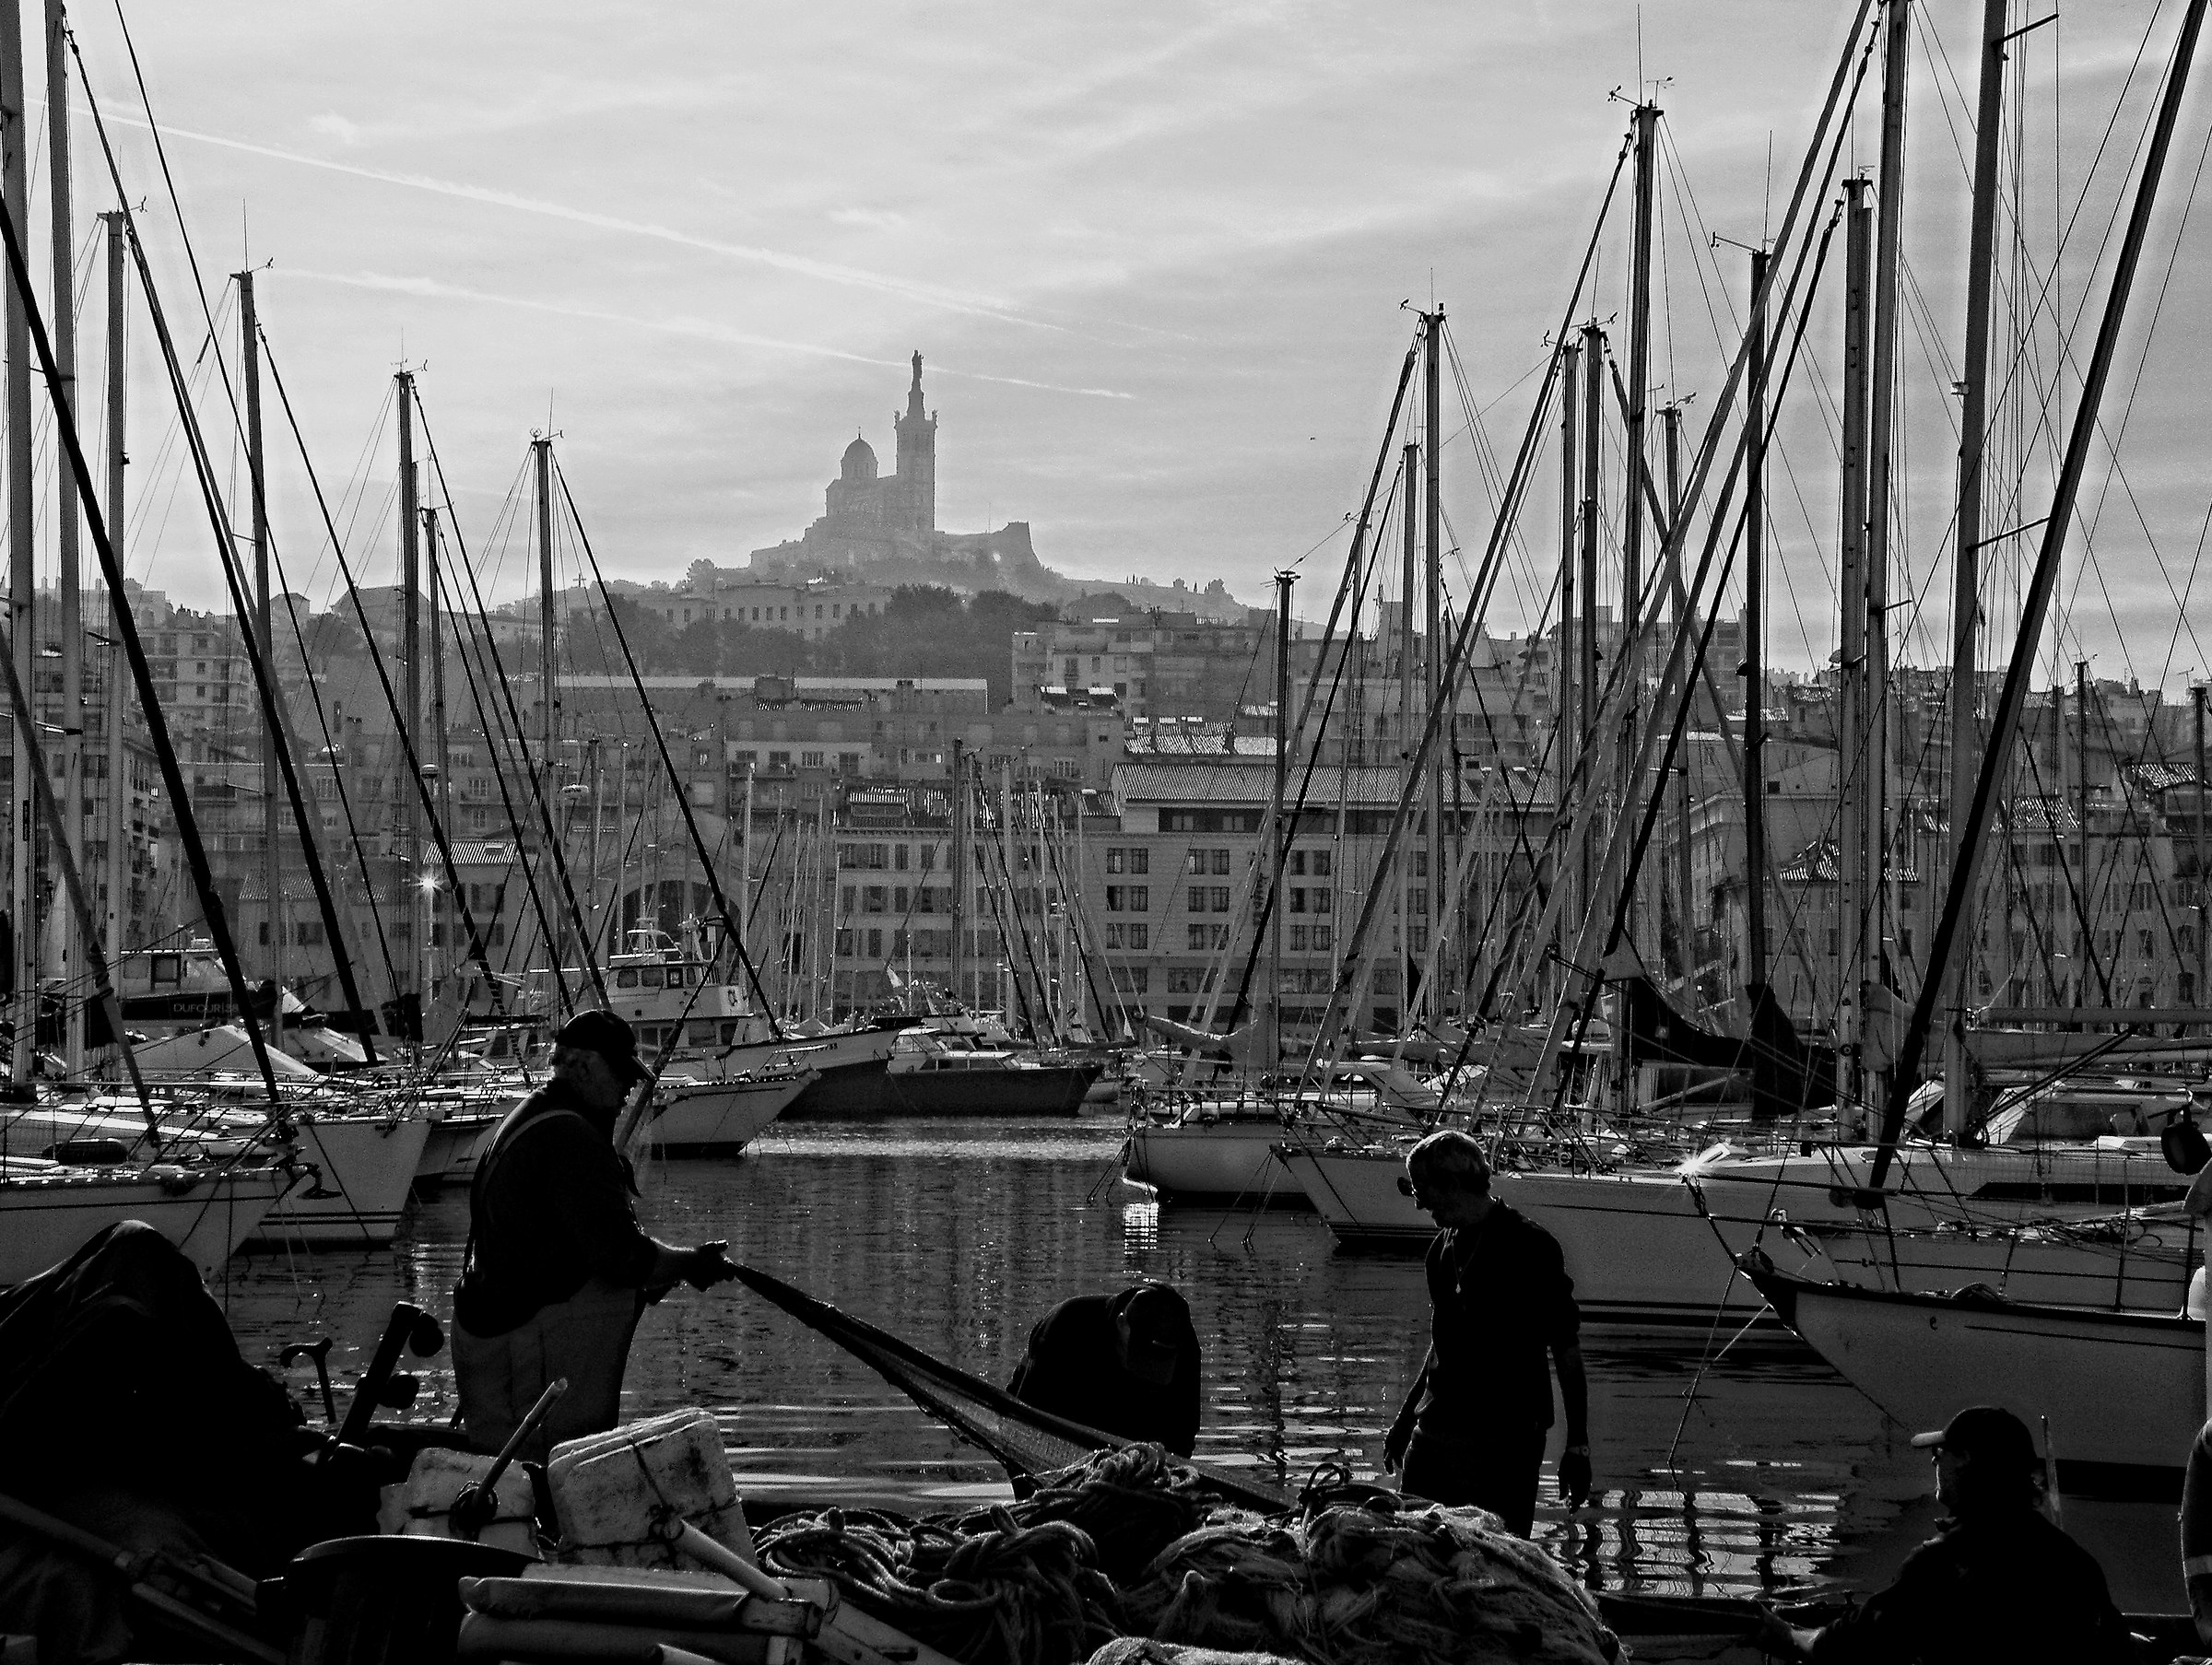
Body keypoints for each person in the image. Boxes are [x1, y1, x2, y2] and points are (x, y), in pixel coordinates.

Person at [453, 1010, 737, 1460]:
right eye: (621, 1075)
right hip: (526, 1357)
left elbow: (570, 1250)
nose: (627, 1092)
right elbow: (624, 1259)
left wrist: (665, 1273)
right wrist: (688, 1262)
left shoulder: (530, 1118)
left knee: (513, 1491)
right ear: (584, 1066)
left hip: (491, 1342)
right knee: (545, 1486)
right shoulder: (571, 1138)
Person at [1757, 1405, 2131, 1663]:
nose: (1934, 1460)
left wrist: (1792, 1637)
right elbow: (2116, 1648)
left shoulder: (1940, 1564)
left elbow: (1855, 1646)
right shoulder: (2074, 1561)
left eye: (1941, 1451)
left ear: (1965, 1458)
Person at [1382, 1129, 1590, 1536]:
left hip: (1506, 1439)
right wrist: (1405, 1420)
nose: (1419, 1203)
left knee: (1496, 1555)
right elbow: (1440, 1344)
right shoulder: (1439, 1252)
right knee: (1410, 1543)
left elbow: (1566, 1349)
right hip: (1437, 1432)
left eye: (1422, 1191)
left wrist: (1578, 1445)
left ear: (1453, 1185)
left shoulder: (1530, 1247)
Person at [1008, 1282, 1200, 1456]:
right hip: (1065, 1405)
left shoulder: (1183, 1340)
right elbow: (1025, 1424)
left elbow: (1183, 1433)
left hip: (1138, 1423)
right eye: (1140, 1358)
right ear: (1121, 1323)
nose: (1146, 1374)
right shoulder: (1066, 1324)